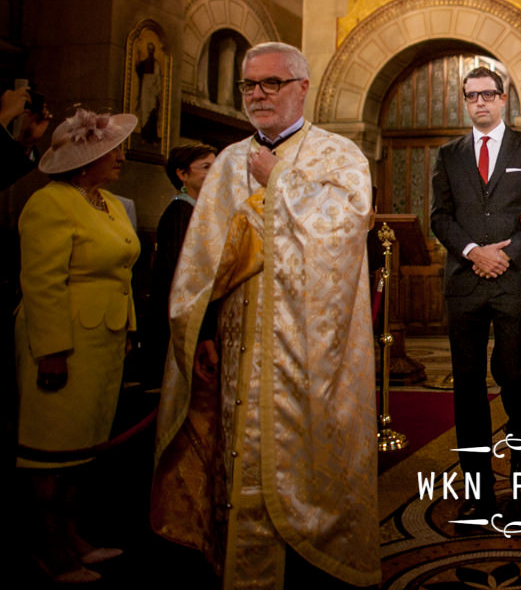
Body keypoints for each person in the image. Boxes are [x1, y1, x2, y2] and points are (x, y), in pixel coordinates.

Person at [151, 42, 379, 588]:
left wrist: (279, 179)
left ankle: (312, 561)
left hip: (311, 348)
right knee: (240, 448)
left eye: (271, 83)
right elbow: (203, 262)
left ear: (302, 87)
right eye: (250, 85)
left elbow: (347, 228)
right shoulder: (228, 161)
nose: (257, 94)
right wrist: (203, 330)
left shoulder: (338, 155)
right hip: (237, 341)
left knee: (304, 453)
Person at [15, 108, 138, 582]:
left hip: (101, 339)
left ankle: (72, 536)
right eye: (113, 152)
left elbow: (121, 271)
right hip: (62, 341)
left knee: (82, 448)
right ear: (86, 162)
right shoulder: (50, 203)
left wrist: (125, 329)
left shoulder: (103, 201)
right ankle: (47, 547)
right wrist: (49, 351)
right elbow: (41, 283)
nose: (121, 158)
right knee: (50, 450)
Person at [430, 66, 521, 519]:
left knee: (515, 375)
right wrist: (472, 252)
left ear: (503, 99)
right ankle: (477, 487)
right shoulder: (448, 155)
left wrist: (506, 255)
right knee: (467, 384)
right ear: (466, 102)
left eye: (487, 94)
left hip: (514, 280)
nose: (479, 102)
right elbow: (439, 216)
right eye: (471, 96)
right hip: (464, 282)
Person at [139, 144, 217, 386]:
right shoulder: (180, 214)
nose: (215, 173)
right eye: (206, 167)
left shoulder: (199, 212)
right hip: (179, 326)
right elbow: (181, 276)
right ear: (182, 174)